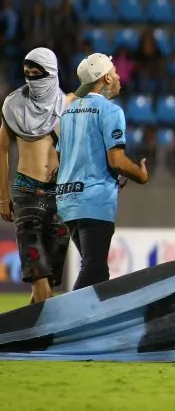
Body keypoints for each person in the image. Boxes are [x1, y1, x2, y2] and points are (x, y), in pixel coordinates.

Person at [56, 54, 149, 290]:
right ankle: (65, 322)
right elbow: (116, 160)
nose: (119, 77)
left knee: (98, 272)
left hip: (67, 201)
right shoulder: (110, 111)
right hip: (94, 200)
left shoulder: (67, 112)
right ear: (106, 77)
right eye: (115, 72)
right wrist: (139, 174)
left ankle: (86, 324)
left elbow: (64, 154)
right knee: (94, 269)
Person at [0, 49, 73, 302]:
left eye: (37, 73)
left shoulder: (67, 107)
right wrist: (3, 196)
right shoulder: (13, 105)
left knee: (48, 285)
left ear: (51, 73)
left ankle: (28, 341)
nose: (31, 79)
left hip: (59, 195)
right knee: (39, 281)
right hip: (26, 192)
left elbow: (75, 152)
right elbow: (1, 150)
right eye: (27, 73)